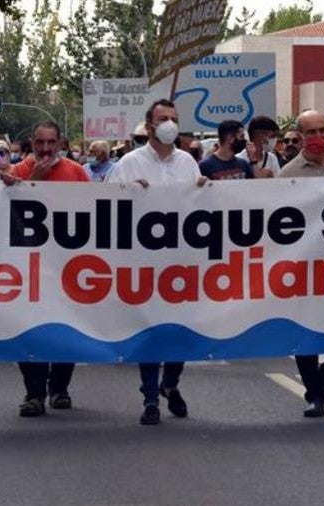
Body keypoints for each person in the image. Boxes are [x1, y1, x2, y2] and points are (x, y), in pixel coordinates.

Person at [107, 98, 207, 425]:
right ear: (149, 125)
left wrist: (207, 192)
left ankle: (171, 383)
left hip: (182, 261)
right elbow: (107, 204)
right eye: (163, 118)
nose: (169, 123)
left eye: (173, 118)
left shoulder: (189, 163)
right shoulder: (129, 163)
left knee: (179, 331)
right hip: (144, 260)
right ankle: (150, 397)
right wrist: (128, 192)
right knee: (150, 330)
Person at [275, 110, 324, 417]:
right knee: (305, 329)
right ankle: (314, 393)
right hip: (306, 262)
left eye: (323, 130)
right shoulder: (290, 173)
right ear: (301, 136)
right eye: (311, 132)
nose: (319, 136)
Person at [7, 121, 90, 417]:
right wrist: (35, 178)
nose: (45, 149)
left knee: (66, 329)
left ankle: (60, 388)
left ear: (60, 143)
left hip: (67, 266)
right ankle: (34, 393)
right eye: (39, 142)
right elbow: (7, 210)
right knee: (30, 331)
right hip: (27, 268)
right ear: (32, 141)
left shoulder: (77, 172)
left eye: (50, 142)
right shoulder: (17, 172)